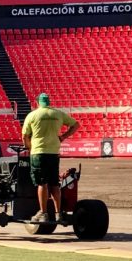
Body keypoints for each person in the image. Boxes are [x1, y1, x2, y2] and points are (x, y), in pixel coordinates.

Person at [22, 93, 80, 223]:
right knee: (54, 183)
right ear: (48, 102)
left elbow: (25, 136)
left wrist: (29, 147)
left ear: (38, 103)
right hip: (53, 153)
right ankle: (58, 213)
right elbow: (76, 125)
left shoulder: (32, 115)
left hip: (38, 153)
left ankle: (43, 213)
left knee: (42, 183)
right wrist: (63, 137)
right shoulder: (58, 114)